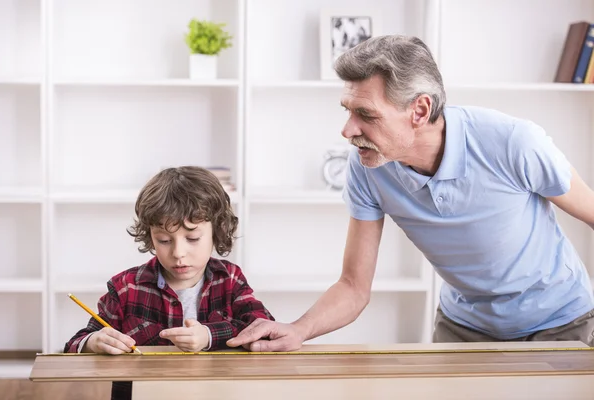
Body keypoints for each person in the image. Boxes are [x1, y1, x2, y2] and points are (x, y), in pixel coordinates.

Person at [226, 34, 594, 352]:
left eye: (366, 114)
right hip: (465, 329)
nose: (347, 129)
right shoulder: (367, 167)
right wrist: (298, 330)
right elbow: (354, 286)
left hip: (561, 322)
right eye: (347, 110)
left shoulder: (514, 142)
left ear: (420, 109)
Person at [64, 166, 274, 399]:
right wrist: (93, 341)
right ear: (150, 236)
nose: (178, 253)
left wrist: (209, 336)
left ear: (217, 231)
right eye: (164, 240)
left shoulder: (230, 279)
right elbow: (75, 343)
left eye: (192, 238)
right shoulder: (126, 287)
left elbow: (263, 328)